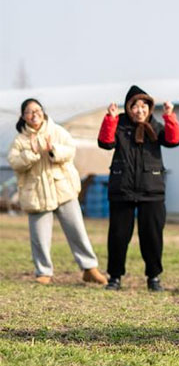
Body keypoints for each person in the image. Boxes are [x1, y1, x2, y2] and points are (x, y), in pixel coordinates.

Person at [7, 98, 108, 285]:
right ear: (23, 116)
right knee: (39, 237)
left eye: (37, 110)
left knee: (77, 230)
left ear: (43, 111)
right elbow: (15, 162)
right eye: (29, 112)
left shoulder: (57, 131)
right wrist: (32, 153)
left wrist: (52, 149)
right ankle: (43, 272)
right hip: (36, 194)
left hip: (62, 188)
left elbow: (70, 151)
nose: (34, 114)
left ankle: (90, 269)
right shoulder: (20, 140)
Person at [98, 85, 179, 291]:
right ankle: (114, 277)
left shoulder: (156, 126)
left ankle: (154, 277)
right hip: (122, 189)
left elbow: (173, 140)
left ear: (150, 108)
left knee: (152, 236)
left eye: (144, 106)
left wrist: (169, 116)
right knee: (118, 236)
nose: (139, 110)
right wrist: (110, 119)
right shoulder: (119, 124)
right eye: (135, 106)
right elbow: (105, 142)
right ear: (128, 108)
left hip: (151, 189)